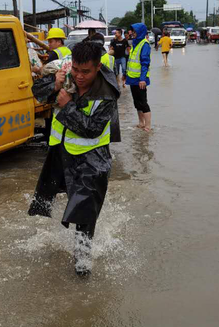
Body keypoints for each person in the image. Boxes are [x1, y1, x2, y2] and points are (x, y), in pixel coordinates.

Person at [28, 42, 120, 276]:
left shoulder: (107, 94)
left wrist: (67, 105)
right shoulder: (67, 73)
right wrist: (55, 83)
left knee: (84, 211)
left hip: (92, 159)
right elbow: (36, 94)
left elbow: (91, 129)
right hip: (61, 153)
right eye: (76, 70)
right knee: (48, 200)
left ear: (98, 67)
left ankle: (82, 265)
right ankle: (57, 240)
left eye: (85, 72)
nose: (79, 76)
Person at [125, 23, 151, 132]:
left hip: (140, 79)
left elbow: (145, 63)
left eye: (134, 31)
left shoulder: (144, 44)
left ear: (140, 32)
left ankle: (148, 126)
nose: (132, 33)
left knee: (143, 102)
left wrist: (142, 79)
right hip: (132, 78)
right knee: (137, 102)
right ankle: (141, 123)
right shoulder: (135, 43)